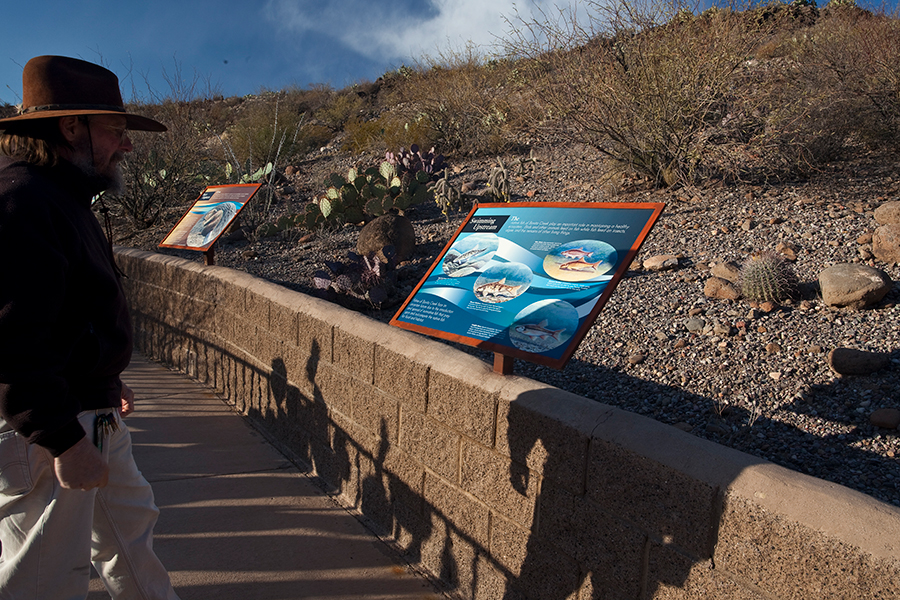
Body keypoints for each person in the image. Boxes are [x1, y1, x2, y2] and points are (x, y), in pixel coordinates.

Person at [0, 56, 179, 599]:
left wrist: (104, 376)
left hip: (89, 411)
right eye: (117, 130)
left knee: (131, 539)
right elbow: (11, 340)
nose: (126, 146)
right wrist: (60, 438)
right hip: (51, 431)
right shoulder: (22, 203)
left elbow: (65, 313)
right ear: (70, 126)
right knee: (43, 578)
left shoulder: (60, 199)